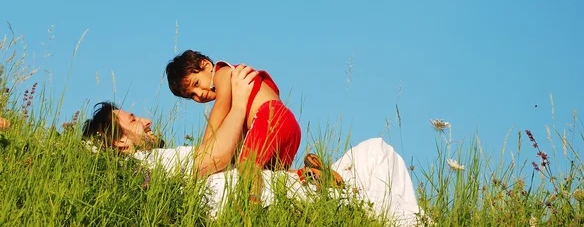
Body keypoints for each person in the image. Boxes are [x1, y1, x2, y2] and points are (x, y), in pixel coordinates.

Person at [81, 102, 422, 226]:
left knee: (371, 158)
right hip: (266, 197)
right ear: (120, 142)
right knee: (376, 156)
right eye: (132, 119)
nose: (146, 120)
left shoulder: (153, 164)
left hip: (271, 185)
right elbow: (217, 156)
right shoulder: (151, 163)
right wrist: (241, 101)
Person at [165, 51, 301, 178]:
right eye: (192, 95)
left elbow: (221, 105)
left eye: (197, 83)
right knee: (273, 175)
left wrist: (206, 148)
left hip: (270, 117)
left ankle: (252, 203)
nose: (199, 94)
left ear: (206, 65)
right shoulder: (235, 94)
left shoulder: (222, 72)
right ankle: (305, 174)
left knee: (247, 167)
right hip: (289, 127)